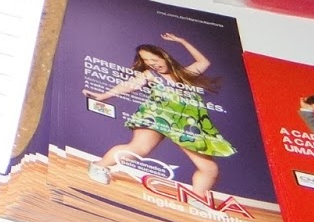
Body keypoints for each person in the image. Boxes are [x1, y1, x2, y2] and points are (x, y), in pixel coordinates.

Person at [83, 33, 234, 195]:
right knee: (138, 149)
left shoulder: (185, 74)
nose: (151, 64)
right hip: (157, 116)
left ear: (164, 57)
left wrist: (182, 41)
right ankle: (99, 166)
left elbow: (204, 62)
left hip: (185, 124)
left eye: (154, 59)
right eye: (146, 61)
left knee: (209, 168)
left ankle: (199, 198)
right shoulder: (150, 75)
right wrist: (104, 95)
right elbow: (129, 85)